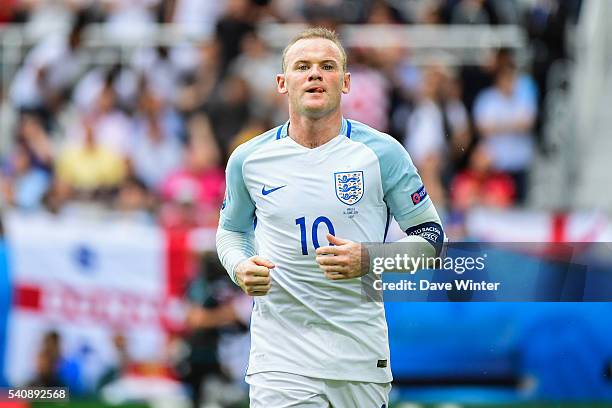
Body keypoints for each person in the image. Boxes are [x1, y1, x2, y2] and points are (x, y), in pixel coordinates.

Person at [216, 27, 444, 407]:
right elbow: (231, 231)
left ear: (346, 82)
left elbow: (432, 238)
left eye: (328, 65)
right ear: (282, 82)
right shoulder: (248, 159)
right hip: (280, 358)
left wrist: (370, 258)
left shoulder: (382, 154)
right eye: (302, 66)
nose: (315, 74)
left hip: (359, 356)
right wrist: (239, 265)